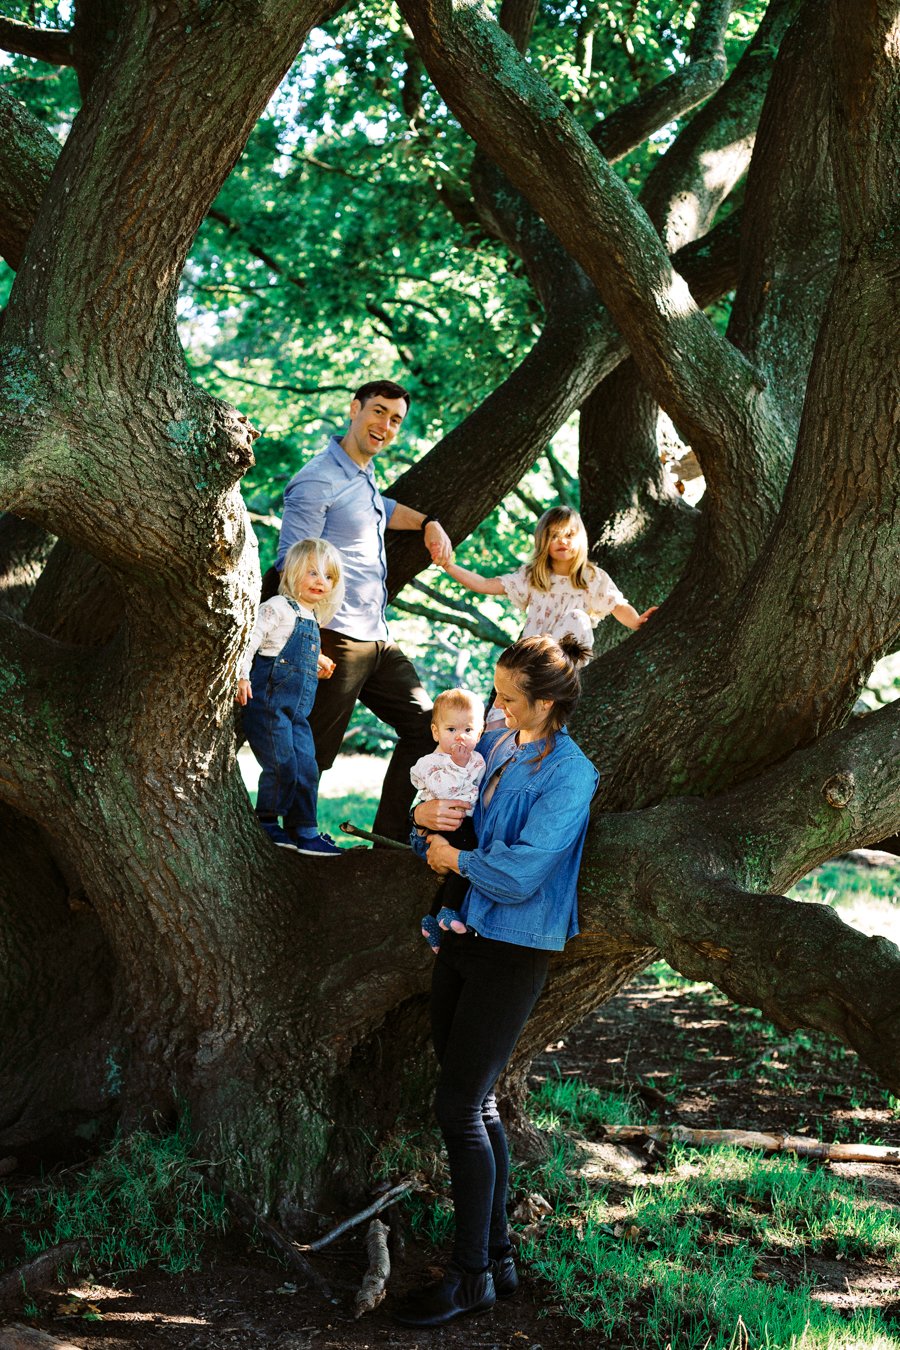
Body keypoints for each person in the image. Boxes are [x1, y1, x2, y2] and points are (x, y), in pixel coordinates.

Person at [394, 634, 599, 1328]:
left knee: (459, 1107)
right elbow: (453, 821)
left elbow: (517, 873)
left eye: (507, 697)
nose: (493, 706)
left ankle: (470, 1276)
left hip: (514, 947)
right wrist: (423, 827)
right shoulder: (500, 748)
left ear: (545, 703)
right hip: (462, 932)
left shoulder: (571, 775)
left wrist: (452, 854)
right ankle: (499, 1257)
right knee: (473, 1102)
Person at [264, 380, 452, 841]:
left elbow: (379, 509)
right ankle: (290, 839)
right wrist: (304, 641)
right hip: (333, 635)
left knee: (426, 730)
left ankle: (386, 838)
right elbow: (292, 561)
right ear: (354, 409)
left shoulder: (360, 476)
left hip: (376, 638)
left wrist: (427, 522)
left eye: (395, 420)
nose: (385, 425)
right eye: (378, 412)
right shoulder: (317, 479)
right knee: (313, 748)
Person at [237, 539, 345, 857]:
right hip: (269, 705)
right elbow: (250, 640)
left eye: (328, 577)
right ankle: (267, 820)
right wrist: (242, 675)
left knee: (307, 767)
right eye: (312, 572)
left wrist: (317, 664)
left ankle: (304, 829)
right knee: (282, 763)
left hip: (297, 714)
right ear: (293, 571)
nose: (320, 581)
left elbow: (296, 655)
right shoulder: (277, 608)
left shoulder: (310, 618)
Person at [443, 505, 657, 661]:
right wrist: (448, 566)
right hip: (533, 656)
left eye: (569, 535)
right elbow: (485, 584)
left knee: (577, 617)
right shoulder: (533, 576)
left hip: (566, 659)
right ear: (543, 540)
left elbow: (617, 605)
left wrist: (637, 621)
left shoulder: (591, 577)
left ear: (580, 539)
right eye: (554, 535)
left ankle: (551, 655)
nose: (562, 541)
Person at [410, 688, 486, 951]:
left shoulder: (476, 760)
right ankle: (447, 911)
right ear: (435, 732)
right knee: (466, 860)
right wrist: (457, 765)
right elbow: (443, 792)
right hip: (433, 828)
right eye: (451, 729)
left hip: (460, 826)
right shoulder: (431, 762)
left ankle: (434, 918)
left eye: (468, 730)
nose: (459, 738)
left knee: (464, 863)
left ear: (479, 732)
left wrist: (465, 764)